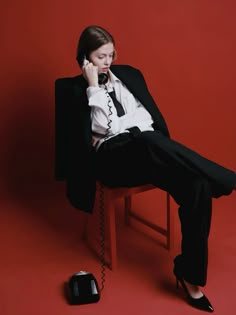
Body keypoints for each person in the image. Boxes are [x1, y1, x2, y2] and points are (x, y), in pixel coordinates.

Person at [55, 25, 236, 312]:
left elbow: (146, 119)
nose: (108, 62)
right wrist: (93, 87)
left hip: (149, 152)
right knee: (148, 138)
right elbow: (106, 126)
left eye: (111, 55)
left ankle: (189, 276)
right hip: (112, 161)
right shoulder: (72, 90)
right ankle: (227, 179)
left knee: (197, 186)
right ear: (85, 58)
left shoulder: (130, 76)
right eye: (101, 57)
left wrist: (131, 128)